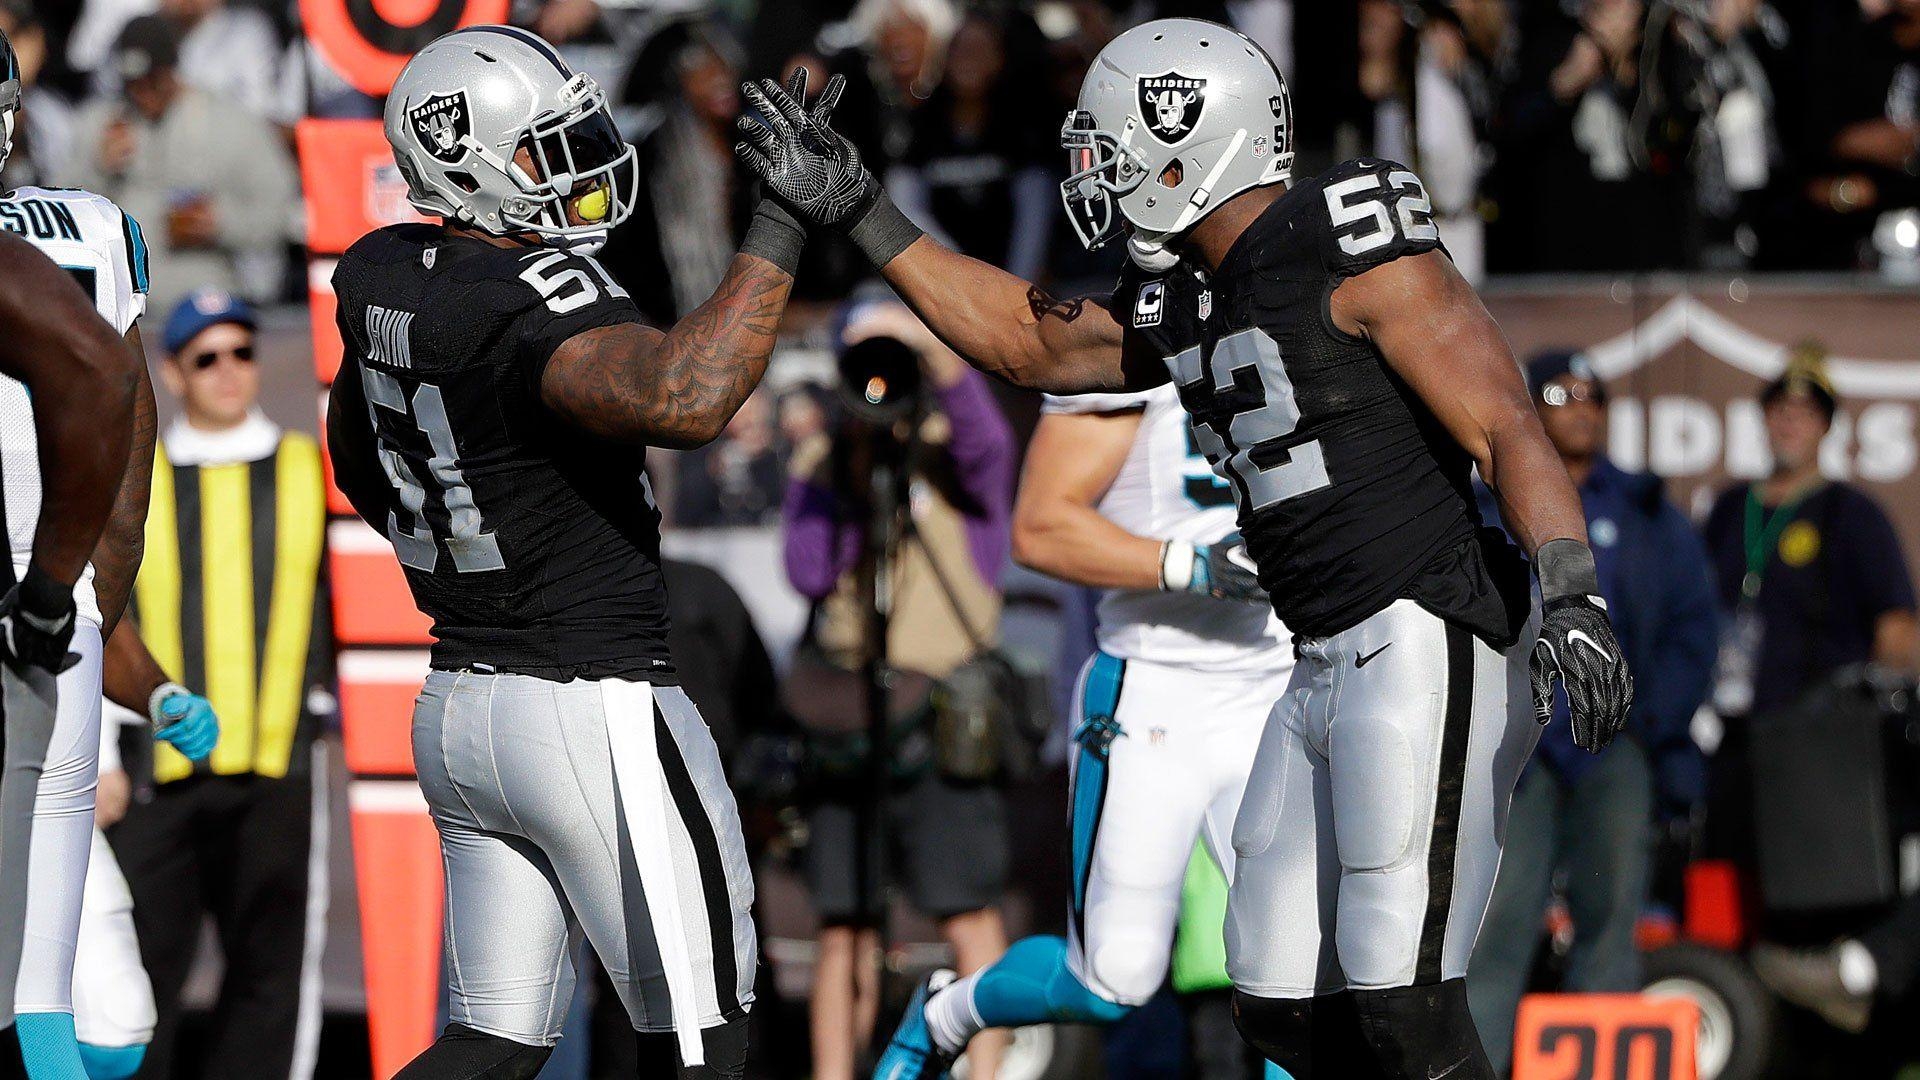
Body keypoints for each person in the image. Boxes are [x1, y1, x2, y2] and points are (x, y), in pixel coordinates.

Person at [737, 18, 1635, 1080]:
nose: (1102, 178)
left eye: (1117, 151)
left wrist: (1572, 589)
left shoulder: (1346, 239)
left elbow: (1504, 423)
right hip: (1319, 653)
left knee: (1403, 1004)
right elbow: (1026, 338)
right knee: (1282, 1008)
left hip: (1432, 626)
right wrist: (863, 213)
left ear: (1190, 145)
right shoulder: (1182, 294)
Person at [327, 28, 813, 1079]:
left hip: (463, 701)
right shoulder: (533, 293)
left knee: (491, 1046)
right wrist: (783, 223)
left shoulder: (379, 275)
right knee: (707, 1046)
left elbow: (362, 463)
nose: (574, 167)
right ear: (469, 161)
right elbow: (685, 396)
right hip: (595, 703)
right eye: (544, 149)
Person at [893, 351, 1295, 1070]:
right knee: (1115, 975)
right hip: (1156, 686)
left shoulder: (1321, 317)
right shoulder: (1128, 345)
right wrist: (1189, 565)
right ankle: (948, 1011)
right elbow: (1040, 528)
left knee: (1303, 978)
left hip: (1284, 683)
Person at [1, 47, 219, 1077]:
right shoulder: (93, 227)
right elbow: (126, 483)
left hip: (56, 595)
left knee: (98, 1008)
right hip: (55, 600)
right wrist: (78, 605)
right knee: (44, 987)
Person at [1464, 351, 1719, 1073]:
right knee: (1501, 918)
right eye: (1559, 392)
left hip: (1618, 741)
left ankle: (1592, 1068)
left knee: (1611, 913)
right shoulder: (1487, 502)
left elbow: (1693, 628)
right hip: (1519, 748)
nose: (1580, 407)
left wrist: (1645, 721)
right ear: (1529, 407)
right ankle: (1483, 1063)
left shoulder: (1643, 511)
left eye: (1594, 396)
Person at [97, 290, 329, 1080]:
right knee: (137, 978)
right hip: (157, 773)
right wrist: (98, 752)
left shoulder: (309, 466)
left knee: (268, 977)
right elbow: (98, 618)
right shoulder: (139, 482)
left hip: (278, 768)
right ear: (173, 370)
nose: (229, 372)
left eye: (243, 351)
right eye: (207, 357)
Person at [782, 302, 1015, 1080]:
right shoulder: (824, 464)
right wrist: (850, 471)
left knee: (968, 911)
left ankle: (985, 1074)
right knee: (841, 921)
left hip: (943, 709)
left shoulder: (957, 458)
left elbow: (990, 441)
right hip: (850, 711)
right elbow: (807, 573)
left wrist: (929, 346)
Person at [0, 230, 141, 1079]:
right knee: (37, 1008)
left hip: (34, 617)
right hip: (35, 624)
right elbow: (106, 376)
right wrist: (65, 599)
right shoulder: (80, 229)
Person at [1699, 348, 1918, 864]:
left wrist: (1869, 720)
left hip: (1819, 734)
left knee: (1808, 870)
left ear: (1827, 428)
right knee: (1724, 866)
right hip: (1732, 726)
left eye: (1807, 413)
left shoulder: (1854, 514)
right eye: (1780, 410)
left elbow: (1897, 627)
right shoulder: (1729, 509)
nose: (1790, 422)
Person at [67, 15, 297, 313]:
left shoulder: (229, 123)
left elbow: (282, 209)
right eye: (132, 83)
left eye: (153, 81)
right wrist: (98, 168)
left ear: (172, 70)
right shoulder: (101, 123)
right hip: (116, 308)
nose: (143, 92)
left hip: (205, 303)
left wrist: (221, 222)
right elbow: (54, 214)